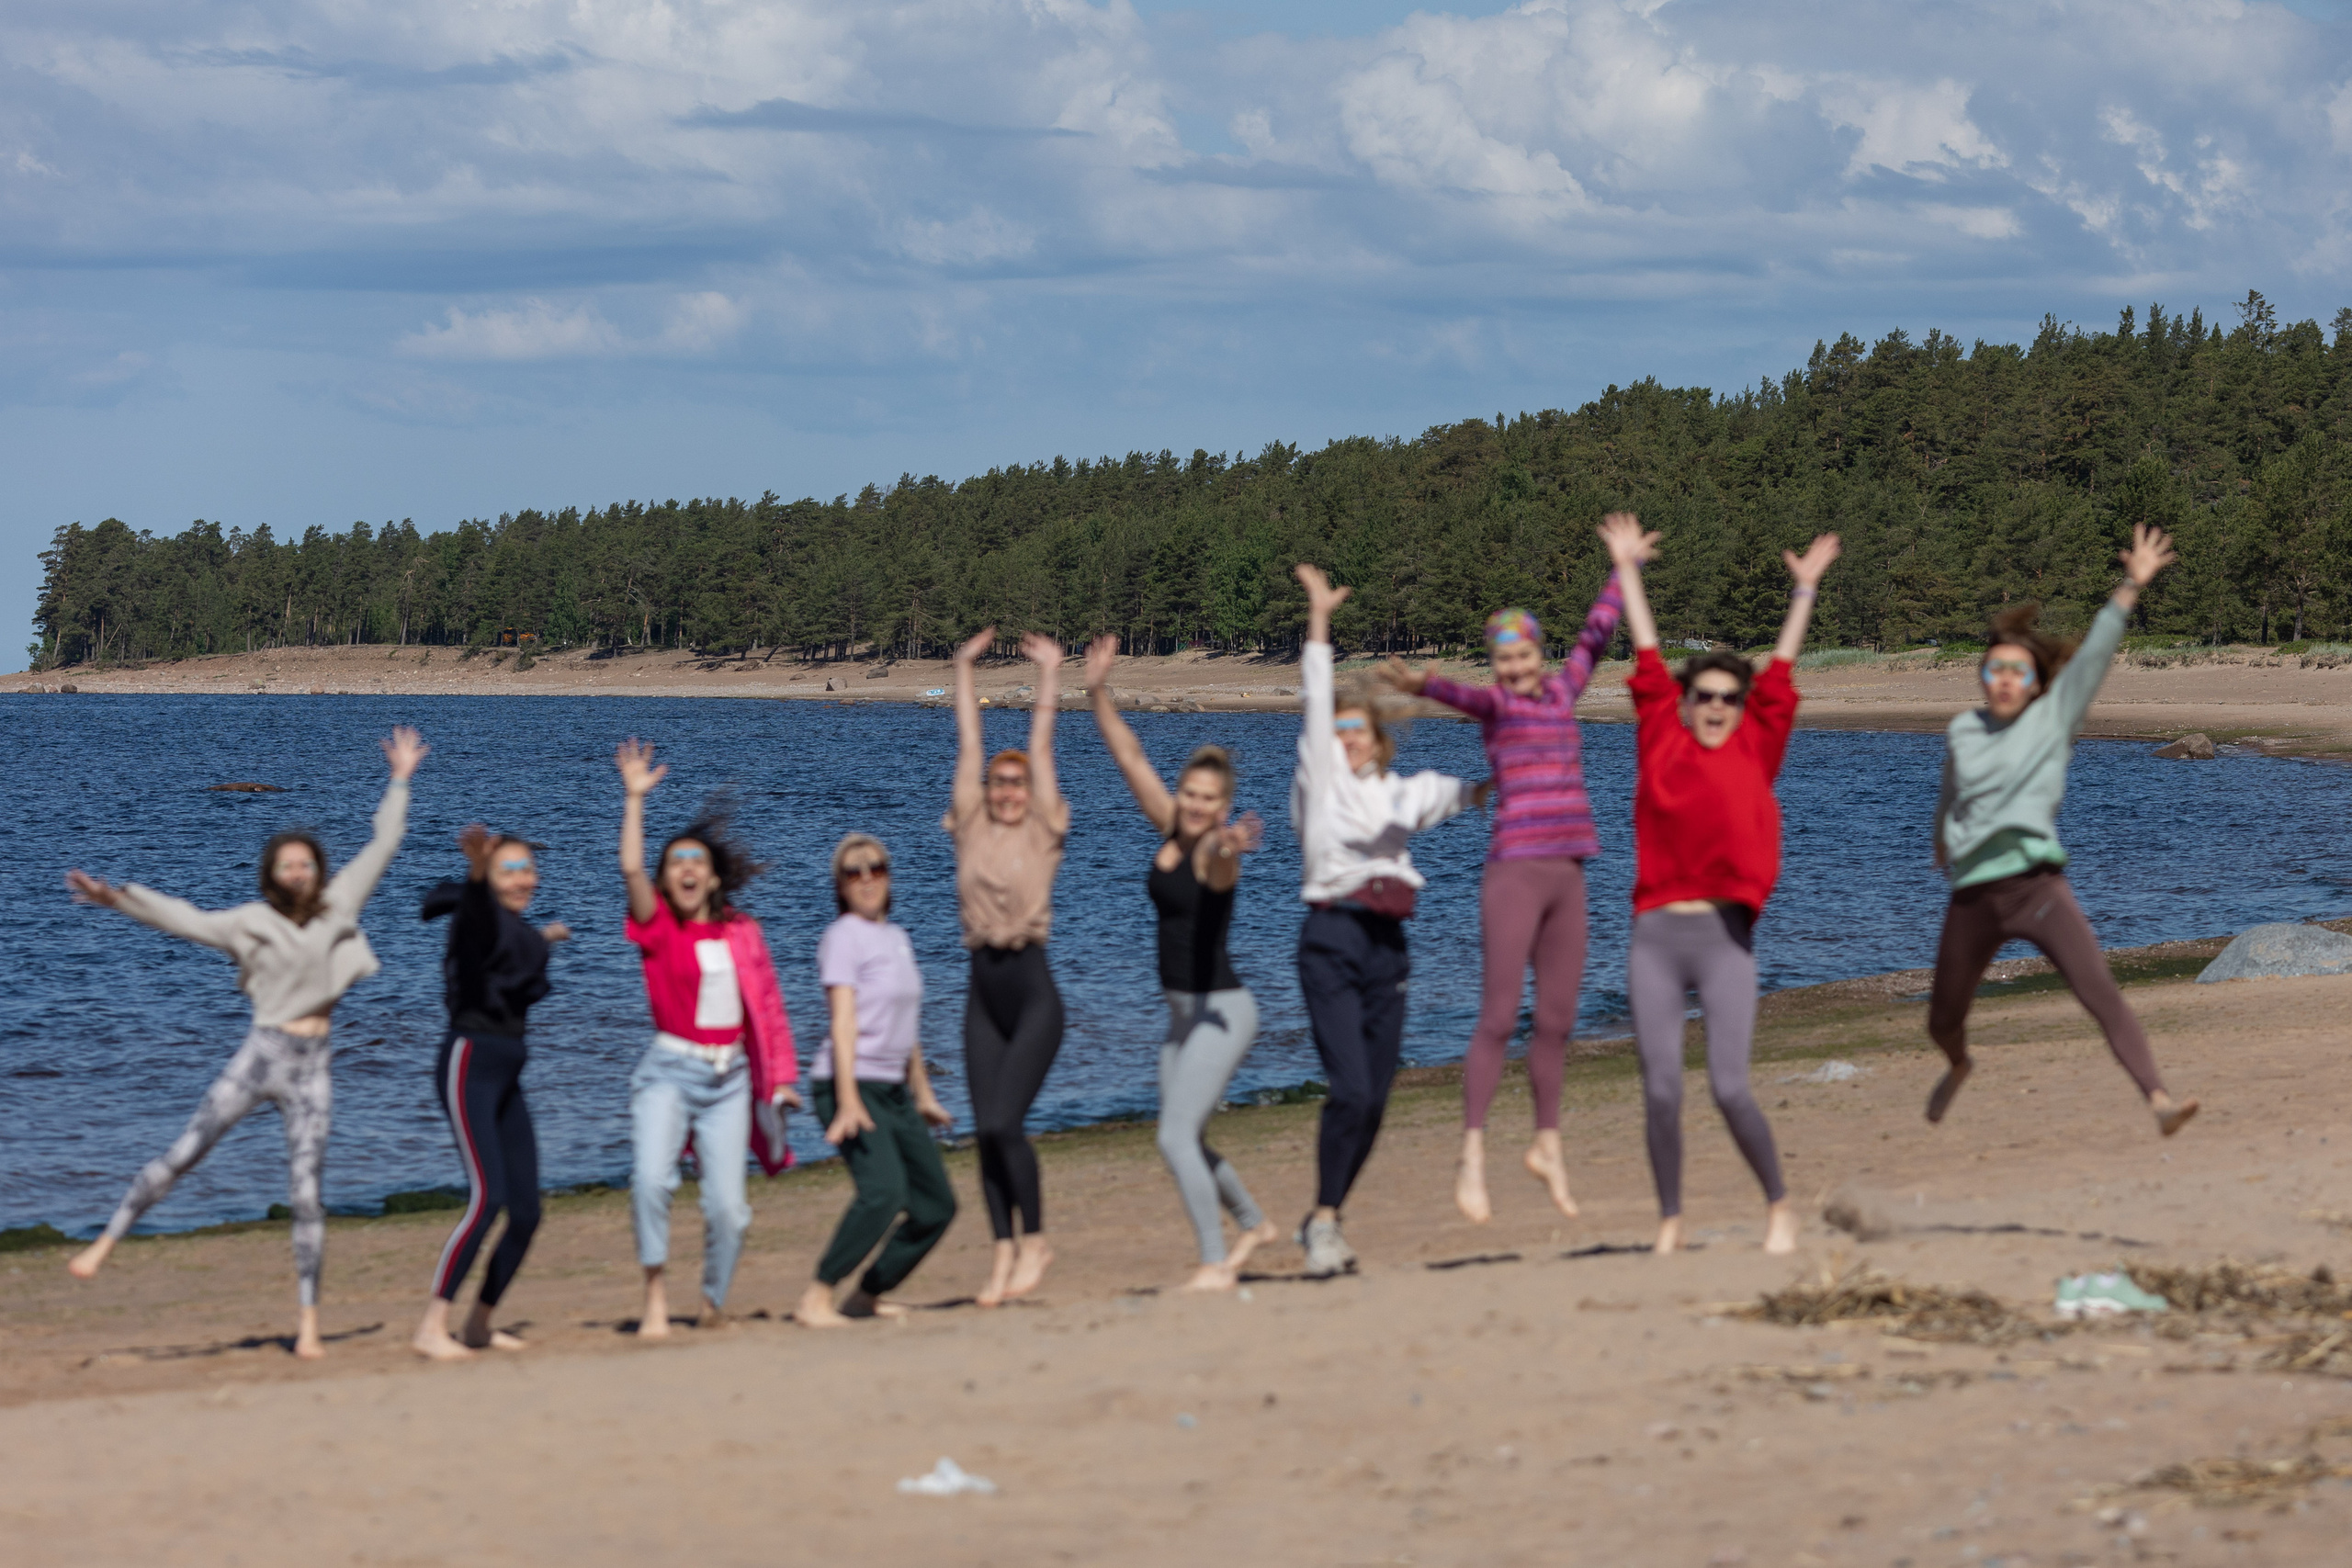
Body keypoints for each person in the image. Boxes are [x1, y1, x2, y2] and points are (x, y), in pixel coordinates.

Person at [62, 727, 429, 1359]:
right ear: (270, 873)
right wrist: (117, 899)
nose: (297, 869)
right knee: (185, 1150)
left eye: (305, 861)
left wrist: (399, 777)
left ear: (316, 870)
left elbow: (385, 842)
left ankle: (310, 1323)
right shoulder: (250, 923)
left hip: (312, 1067)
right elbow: (184, 918)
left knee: (307, 1193)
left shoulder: (340, 905)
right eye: (286, 862)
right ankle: (104, 1242)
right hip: (261, 1054)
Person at [1927, 523, 2198, 1136]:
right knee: (1942, 1018)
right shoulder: (1964, 729)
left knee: (2098, 988)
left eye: (2016, 672)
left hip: (2037, 887)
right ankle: (1959, 1060)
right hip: (1973, 892)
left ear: (2038, 684)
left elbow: (2097, 652)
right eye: (1994, 668)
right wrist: (1941, 837)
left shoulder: (2054, 719)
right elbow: (1950, 788)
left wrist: (2131, 584)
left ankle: (2158, 1098)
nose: (2002, 680)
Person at [1611, 513, 1834, 1256]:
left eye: (1726, 698)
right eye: (1702, 694)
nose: (1714, 706)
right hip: (1655, 936)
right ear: (1684, 701)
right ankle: (1670, 1219)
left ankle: (1778, 1202)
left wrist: (1803, 591)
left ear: (1741, 708)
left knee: (1730, 1086)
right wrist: (1628, 570)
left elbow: (1780, 674)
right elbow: (1646, 656)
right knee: (1663, 1088)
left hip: (1724, 938)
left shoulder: (1756, 747)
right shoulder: (1661, 736)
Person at [1379, 570, 1628, 1224]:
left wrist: (1621, 571)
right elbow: (1463, 695)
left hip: (1570, 872)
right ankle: (1472, 1153)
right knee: (1497, 1016)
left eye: (1524, 655)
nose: (1516, 667)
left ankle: (1547, 1144)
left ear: (1538, 656)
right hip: (1515, 871)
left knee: (1556, 1019)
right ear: (1495, 664)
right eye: (1504, 659)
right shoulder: (1498, 706)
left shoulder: (1563, 692)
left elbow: (1595, 638)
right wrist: (1425, 686)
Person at [1290, 564, 1479, 1277]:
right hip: (1331, 937)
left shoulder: (1401, 792)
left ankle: (1325, 1214)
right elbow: (1316, 696)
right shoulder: (1319, 780)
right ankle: (1327, 1221)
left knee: (1377, 1094)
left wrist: (1504, 781)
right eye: (1337, 729)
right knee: (1352, 1088)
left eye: (1357, 729)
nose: (1346, 737)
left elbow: (1451, 793)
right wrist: (1319, 617)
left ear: (1377, 737)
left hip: (1388, 947)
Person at [1085, 636, 1280, 1290]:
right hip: (1181, 1017)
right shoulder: (1170, 826)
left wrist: (1228, 843)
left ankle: (1212, 1261)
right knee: (1183, 1138)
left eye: (1208, 799)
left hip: (1222, 1014)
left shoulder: (1213, 854)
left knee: (1173, 1138)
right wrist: (1097, 689)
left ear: (1223, 807)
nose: (1196, 805)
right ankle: (1252, 1222)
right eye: (1189, 794)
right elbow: (1128, 753)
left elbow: (1219, 861)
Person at [615, 740, 801, 1338]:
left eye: (696, 860)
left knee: (730, 1208)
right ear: (667, 880)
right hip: (669, 1069)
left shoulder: (743, 931)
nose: (686, 868)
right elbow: (629, 869)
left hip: (732, 1080)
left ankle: (713, 1298)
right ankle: (654, 1294)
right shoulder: (658, 927)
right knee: (650, 1180)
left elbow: (768, 1008)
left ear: (714, 875)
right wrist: (635, 799)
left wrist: (784, 1080)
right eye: (676, 863)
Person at [411, 824, 571, 1360]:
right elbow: (482, 923)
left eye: (528, 868)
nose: (523, 877)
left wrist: (543, 939)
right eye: (510, 869)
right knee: (488, 1198)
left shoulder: (517, 932)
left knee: (526, 1211)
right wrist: (479, 872)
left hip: (508, 1074)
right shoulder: (471, 920)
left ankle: (479, 1324)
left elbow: (513, 946)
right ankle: (433, 1326)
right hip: (469, 1064)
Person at [945, 627, 1069, 1305]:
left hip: (1032, 991)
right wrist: (963, 668)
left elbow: (1042, 745)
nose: (1009, 789)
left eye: (1017, 781)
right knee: (982, 1131)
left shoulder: (1043, 827)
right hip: (979, 990)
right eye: (1002, 780)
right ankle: (1000, 1255)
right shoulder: (970, 821)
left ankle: (1038, 1237)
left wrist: (1050, 675)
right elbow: (970, 742)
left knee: (1003, 1124)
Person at [797, 833, 957, 1327]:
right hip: (848, 1084)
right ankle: (817, 1295)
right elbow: (842, 1021)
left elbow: (907, 1027)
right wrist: (846, 1100)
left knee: (936, 1204)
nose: (866, 878)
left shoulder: (897, 939)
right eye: (853, 871)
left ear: (888, 876)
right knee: (883, 1192)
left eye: (876, 868)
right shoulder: (843, 936)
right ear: (840, 887)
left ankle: (866, 1295)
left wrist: (923, 1093)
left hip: (893, 1089)